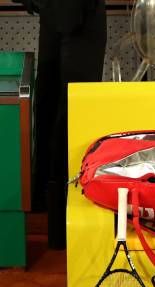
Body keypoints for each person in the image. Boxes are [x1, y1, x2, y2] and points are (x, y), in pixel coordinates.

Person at [13, 0, 107, 249]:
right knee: (64, 110)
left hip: (63, 14)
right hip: (70, 16)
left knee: (57, 108)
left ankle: (56, 219)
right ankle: (62, 220)